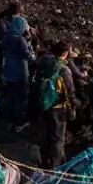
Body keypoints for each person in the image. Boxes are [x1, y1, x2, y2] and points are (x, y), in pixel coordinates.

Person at [34, 41, 77, 169]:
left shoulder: (45, 61)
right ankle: (56, 166)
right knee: (58, 138)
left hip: (45, 104)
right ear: (65, 54)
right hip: (58, 108)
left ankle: (43, 158)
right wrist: (75, 106)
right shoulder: (64, 70)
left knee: (46, 132)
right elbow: (70, 92)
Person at [1, 14, 34, 127]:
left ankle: (7, 119)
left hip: (8, 70)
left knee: (9, 96)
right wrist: (29, 42)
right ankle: (17, 121)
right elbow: (28, 56)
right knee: (21, 97)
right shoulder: (20, 39)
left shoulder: (7, 36)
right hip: (20, 72)